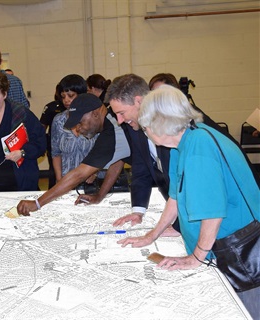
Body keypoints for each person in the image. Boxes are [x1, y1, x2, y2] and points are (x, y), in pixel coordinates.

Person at [117, 85, 260, 318]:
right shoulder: (181, 144)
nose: (144, 132)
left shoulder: (199, 148)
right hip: (219, 250)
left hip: (240, 255)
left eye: (145, 127)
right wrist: (152, 234)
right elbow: (175, 197)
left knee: (248, 311)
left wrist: (195, 258)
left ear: (159, 123)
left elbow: (213, 213)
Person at [108, 73, 260, 232]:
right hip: (191, 210)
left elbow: (196, 185)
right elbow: (142, 167)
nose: (119, 121)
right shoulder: (134, 124)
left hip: (234, 214)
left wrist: (179, 227)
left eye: (121, 113)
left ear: (138, 101)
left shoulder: (180, 119)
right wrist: (138, 211)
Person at [17, 93, 130, 216]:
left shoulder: (112, 132)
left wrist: (37, 203)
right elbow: (118, 160)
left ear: (95, 113)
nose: (79, 129)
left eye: (80, 122)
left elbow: (79, 174)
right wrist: (99, 196)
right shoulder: (112, 121)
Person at [50, 74, 101, 185]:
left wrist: (95, 172)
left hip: (92, 182)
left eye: (71, 95)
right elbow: (56, 153)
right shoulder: (58, 121)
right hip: (66, 181)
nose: (66, 100)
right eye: (63, 97)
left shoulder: (94, 119)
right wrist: (59, 179)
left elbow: (102, 152)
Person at [40, 84, 66, 188]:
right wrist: (41, 146)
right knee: (54, 172)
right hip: (54, 146)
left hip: (72, 146)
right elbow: (42, 127)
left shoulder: (79, 108)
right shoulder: (51, 107)